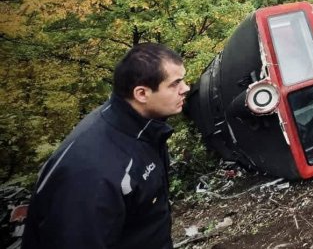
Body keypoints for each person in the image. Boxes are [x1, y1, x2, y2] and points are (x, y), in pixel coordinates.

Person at [23, 43, 190, 249]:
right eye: (175, 83)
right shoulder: (92, 172)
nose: (186, 88)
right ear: (142, 94)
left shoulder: (143, 129)